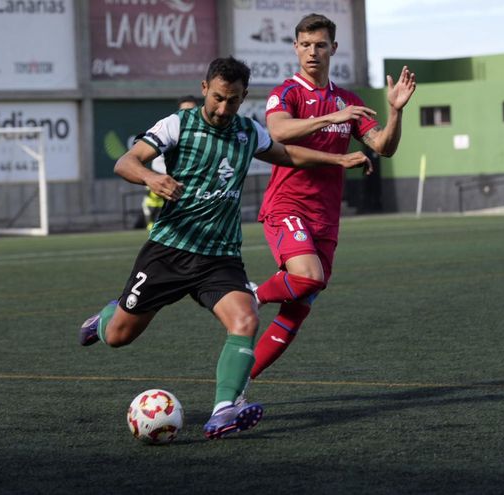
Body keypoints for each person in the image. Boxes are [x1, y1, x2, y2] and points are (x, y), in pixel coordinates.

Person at [78, 56, 372, 439]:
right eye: (217, 98)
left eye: (232, 100)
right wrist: (151, 178)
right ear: (205, 89)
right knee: (120, 336)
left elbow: (287, 155)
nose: (222, 108)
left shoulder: (247, 132)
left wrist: (338, 159)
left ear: (243, 97)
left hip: (220, 257)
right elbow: (126, 162)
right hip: (169, 251)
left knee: (246, 318)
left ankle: (222, 411)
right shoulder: (177, 125)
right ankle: (103, 319)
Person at [247, 13, 416, 382]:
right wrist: (332, 116)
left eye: (320, 45)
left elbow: (384, 147)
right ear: (295, 48)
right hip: (286, 206)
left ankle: (237, 387)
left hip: (326, 218)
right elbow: (278, 129)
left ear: (333, 49)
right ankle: (251, 295)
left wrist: (395, 110)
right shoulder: (286, 93)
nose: (312, 52)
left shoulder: (349, 101)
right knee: (308, 277)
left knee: (299, 307)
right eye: (305, 45)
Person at [141, 95, 198, 231]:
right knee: (155, 206)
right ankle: (153, 228)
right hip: (164, 177)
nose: (188, 114)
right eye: (184, 110)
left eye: (191, 110)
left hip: (191, 185)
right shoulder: (171, 128)